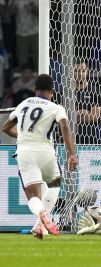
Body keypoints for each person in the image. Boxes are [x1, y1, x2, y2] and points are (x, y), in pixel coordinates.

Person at [2, 74, 78, 239]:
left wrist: (23, 136)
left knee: (33, 196)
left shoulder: (23, 104)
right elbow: (64, 126)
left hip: (25, 153)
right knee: (54, 185)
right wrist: (71, 154)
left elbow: (6, 127)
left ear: (34, 89)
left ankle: (41, 215)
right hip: (46, 152)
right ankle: (40, 224)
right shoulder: (56, 107)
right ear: (52, 91)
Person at [75, 60, 101, 144]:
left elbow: (95, 117)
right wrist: (85, 112)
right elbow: (63, 118)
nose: (80, 74)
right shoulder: (65, 92)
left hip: (89, 138)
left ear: (87, 71)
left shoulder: (94, 91)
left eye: (83, 71)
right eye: (76, 71)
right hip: (70, 136)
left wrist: (75, 115)